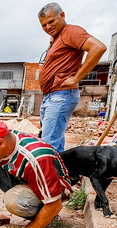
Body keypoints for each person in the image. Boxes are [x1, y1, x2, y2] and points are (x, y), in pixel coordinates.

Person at [38, 2, 106, 153]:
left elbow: (98, 47)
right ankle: (61, 174)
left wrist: (76, 78)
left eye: (51, 21)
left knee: (48, 147)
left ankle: (51, 176)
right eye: (44, 25)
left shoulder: (71, 32)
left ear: (62, 15)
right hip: (51, 96)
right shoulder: (58, 37)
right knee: (52, 142)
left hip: (60, 96)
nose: (48, 27)